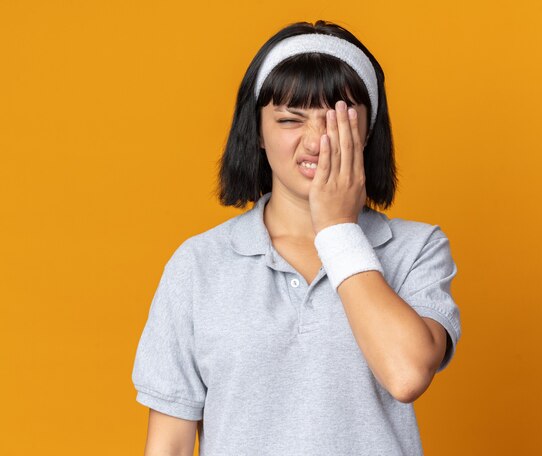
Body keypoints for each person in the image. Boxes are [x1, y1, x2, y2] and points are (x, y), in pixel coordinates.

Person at [131, 19, 461, 456]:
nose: (315, 141)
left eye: (338, 121)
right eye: (289, 119)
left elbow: (406, 375)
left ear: (367, 131)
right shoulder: (198, 265)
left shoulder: (416, 249)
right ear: (259, 134)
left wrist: (338, 229)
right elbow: (168, 444)